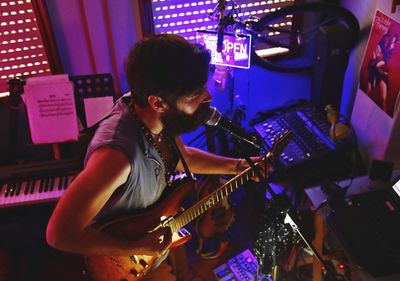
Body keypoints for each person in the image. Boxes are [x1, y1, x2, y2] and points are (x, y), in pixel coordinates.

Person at [46, 34, 263, 281]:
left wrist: (239, 166)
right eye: (195, 94)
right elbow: (59, 234)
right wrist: (138, 248)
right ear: (158, 102)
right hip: (121, 264)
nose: (208, 97)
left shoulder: (156, 115)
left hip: (151, 243)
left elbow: (180, 157)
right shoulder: (115, 158)